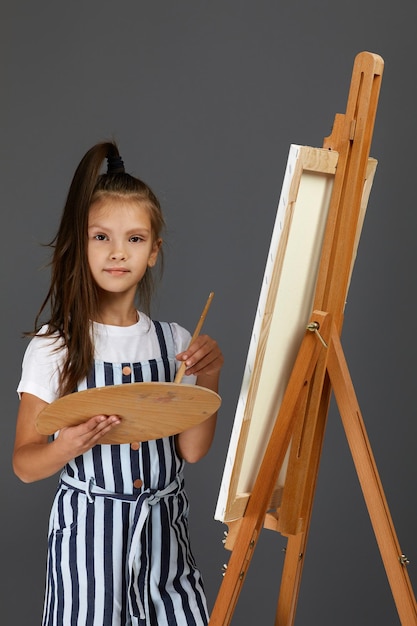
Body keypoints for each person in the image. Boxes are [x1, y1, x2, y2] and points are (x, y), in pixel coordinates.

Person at [13, 141, 223, 626]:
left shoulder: (174, 342)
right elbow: (24, 463)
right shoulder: (55, 346)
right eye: (101, 237)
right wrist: (65, 446)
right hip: (87, 542)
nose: (117, 252)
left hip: (164, 540)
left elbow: (191, 451)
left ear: (154, 251)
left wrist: (208, 374)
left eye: (134, 239)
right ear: (81, 244)